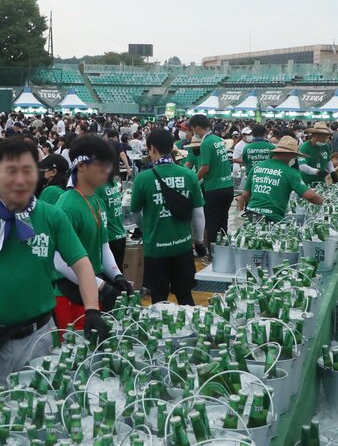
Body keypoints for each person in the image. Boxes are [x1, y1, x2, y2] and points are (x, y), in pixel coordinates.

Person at [0, 137, 106, 410]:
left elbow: (81, 263)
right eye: (12, 170)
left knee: (42, 413)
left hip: (38, 338)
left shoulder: (52, 216)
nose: (20, 180)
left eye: (28, 171)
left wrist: (92, 310)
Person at [50, 135, 133, 330]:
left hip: (91, 288)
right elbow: (59, 261)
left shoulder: (97, 201)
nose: (107, 172)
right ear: (81, 166)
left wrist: (117, 276)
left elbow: (103, 246)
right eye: (101, 165)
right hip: (69, 293)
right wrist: (100, 285)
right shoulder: (67, 206)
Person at [130, 129, 205, 305]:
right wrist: (199, 241)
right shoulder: (189, 175)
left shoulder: (143, 178)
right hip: (183, 246)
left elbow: (134, 214)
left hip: (156, 248)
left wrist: (146, 230)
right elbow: (198, 214)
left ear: (152, 148)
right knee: (185, 296)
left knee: (158, 299)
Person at [239, 136, 324, 221]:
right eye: (294, 156)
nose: (294, 159)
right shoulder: (291, 173)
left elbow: (245, 195)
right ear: (289, 155)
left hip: (250, 214)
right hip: (272, 218)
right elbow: (310, 196)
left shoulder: (257, 167)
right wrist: (325, 203)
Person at [189, 114, 233, 250]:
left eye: (192, 129)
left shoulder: (206, 143)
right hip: (228, 187)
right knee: (223, 221)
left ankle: (213, 255)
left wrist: (193, 181)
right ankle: (223, 250)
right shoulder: (217, 139)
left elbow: (205, 168)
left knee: (212, 223)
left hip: (214, 188)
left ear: (196, 128)